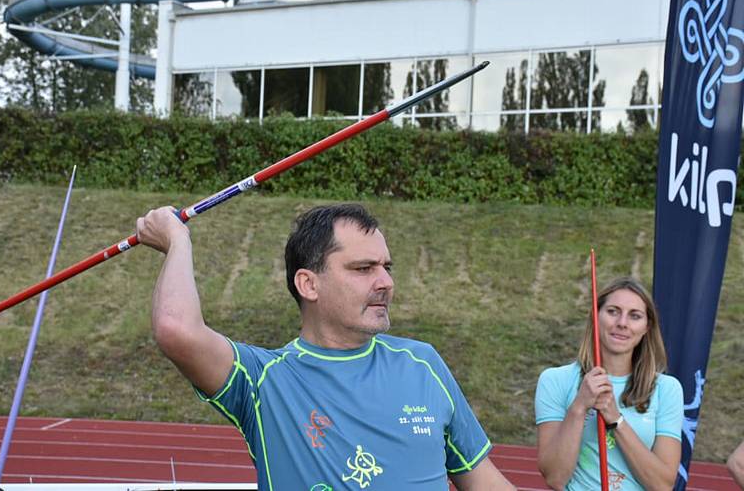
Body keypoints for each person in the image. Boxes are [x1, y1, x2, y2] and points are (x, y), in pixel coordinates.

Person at [136, 203, 514, 490]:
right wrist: (176, 239)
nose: (385, 282)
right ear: (308, 285)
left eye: (387, 267)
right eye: (363, 269)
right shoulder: (265, 380)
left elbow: (485, 482)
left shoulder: (423, 364)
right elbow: (176, 328)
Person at [534, 277, 683, 490]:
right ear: (596, 316)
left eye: (635, 316)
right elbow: (555, 478)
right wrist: (579, 406)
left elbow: (662, 485)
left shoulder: (667, 389)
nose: (622, 323)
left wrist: (616, 419)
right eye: (613, 311)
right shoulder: (555, 380)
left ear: (646, 327)